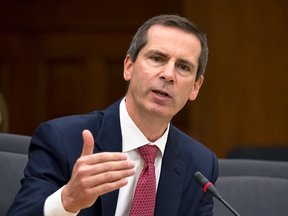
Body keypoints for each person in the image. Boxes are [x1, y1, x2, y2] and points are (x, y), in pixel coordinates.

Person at [6, 14, 218, 216]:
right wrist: (66, 200)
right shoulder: (62, 140)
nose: (168, 74)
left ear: (195, 88)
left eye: (183, 67)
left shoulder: (200, 164)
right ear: (129, 66)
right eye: (157, 58)